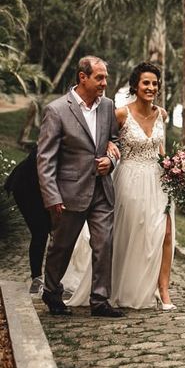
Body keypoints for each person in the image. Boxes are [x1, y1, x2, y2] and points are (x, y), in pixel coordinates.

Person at [67, 61, 176, 310]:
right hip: (129, 179)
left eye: (155, 84)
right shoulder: (120, 113)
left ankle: (163, 290)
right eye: (146, 83)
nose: (151, 87)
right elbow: (101, 138)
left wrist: (176, 167)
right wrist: (108, 148)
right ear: (135, 87)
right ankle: (118, 286)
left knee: (164, 233)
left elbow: (161, 149)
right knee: (129, 233)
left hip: (158, 181)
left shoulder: (162, 114)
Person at [37, 55, 124, 317]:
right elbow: (45, 159)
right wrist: (52, 196)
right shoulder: (57, 110)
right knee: (61, 247)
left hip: (101, 190)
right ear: (82, 77)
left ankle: (99, 300)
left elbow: (114, 141)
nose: (104, 83)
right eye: (99, 77)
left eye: (105, 77)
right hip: (69, 192)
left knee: (104, 244)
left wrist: (110, 160)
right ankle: (52, 292)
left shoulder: (108, 106)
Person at [3, 147, 50, 294]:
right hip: (26, 186)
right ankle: (37, 278)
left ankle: (50, 279)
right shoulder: (53, 138)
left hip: (42, 185)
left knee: (50, 230)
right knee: (40, 231)